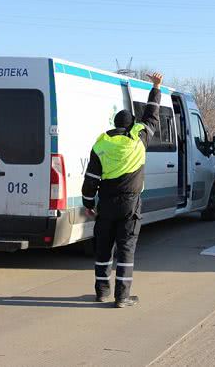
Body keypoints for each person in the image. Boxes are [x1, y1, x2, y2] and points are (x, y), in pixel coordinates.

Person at [81, 72, 163, 308]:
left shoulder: (101, 144)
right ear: (130, 125)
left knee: (103, 248)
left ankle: (102, 292)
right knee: (126, 249)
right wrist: (156, 87)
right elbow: (152, 115)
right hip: (130, 204)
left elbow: (90, 179)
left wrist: (88, 203)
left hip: (105, 203)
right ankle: (122, 297)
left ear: (115, 124)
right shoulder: (138, 139)